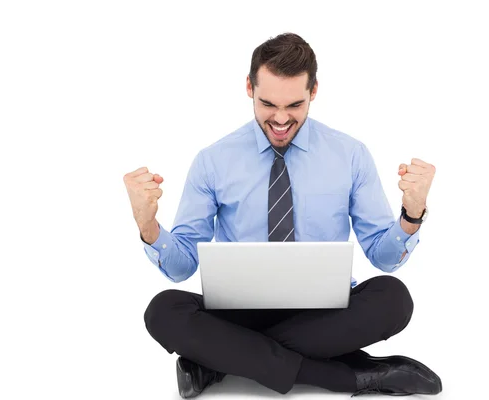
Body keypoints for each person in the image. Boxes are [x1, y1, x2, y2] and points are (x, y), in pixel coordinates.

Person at [123, 32, 442, 398]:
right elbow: (181, 267)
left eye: (294, 105)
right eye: (267, 103)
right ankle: (352, 376)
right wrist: (147, 225)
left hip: (324, 313)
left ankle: (218, 359)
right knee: (163, 310)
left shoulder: (350, 155)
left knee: (394, 298)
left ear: (314, 91)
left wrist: (412, 214)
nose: (279, 119)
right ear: (249, 88)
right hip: (238, 312)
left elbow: (384, 259)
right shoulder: (213, 161)